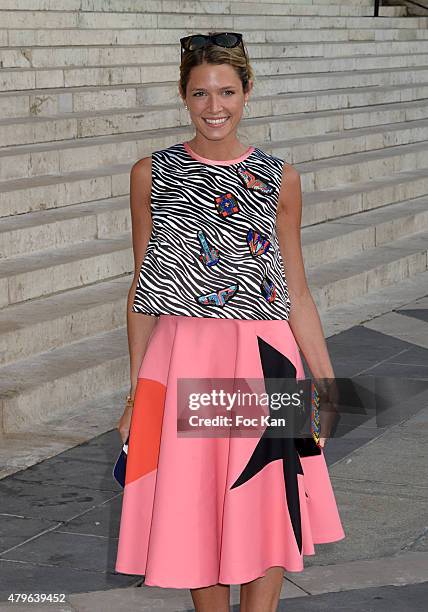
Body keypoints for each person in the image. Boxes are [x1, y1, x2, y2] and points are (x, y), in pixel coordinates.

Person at [114, 31, 345, 612]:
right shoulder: (150, 173)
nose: (214, 107)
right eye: (199, 94)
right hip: (184, 356)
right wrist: (136, 392)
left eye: (225, 92)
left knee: (267, 496)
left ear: (246, 93)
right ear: (183, 97)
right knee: (194, 503)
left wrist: (324, 378)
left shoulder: (279, 175)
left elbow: (294, 285)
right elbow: (144, 291)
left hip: (265, 359)